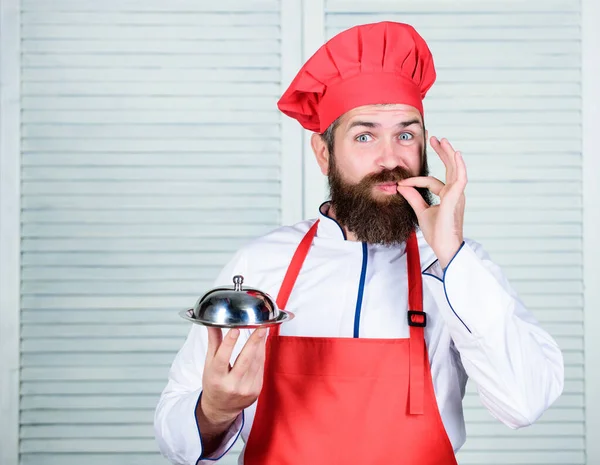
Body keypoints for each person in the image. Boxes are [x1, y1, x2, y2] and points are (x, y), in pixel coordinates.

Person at [154, 21, 564, 465]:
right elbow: (174, 438)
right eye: (364, 136)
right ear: (324, 153)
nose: (390, 159)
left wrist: (453, 255)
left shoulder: (457, 268)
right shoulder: (261, 264)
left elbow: (525, 403)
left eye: (406, 134)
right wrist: (214, 411)